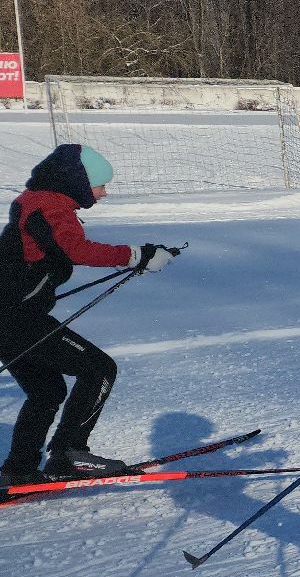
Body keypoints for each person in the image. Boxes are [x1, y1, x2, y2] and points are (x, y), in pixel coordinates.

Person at [0, 144, 178, 484]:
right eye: (100, 184)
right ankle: (70, 454)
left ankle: (19, 469)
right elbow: (75, 249)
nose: (104, 193)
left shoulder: (39, 200)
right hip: (17, 320)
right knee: (99, 369)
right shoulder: (49, 207)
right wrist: (135, 255)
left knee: (47, 391)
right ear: (77, 180)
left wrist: (138, 257)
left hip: (12, 318)